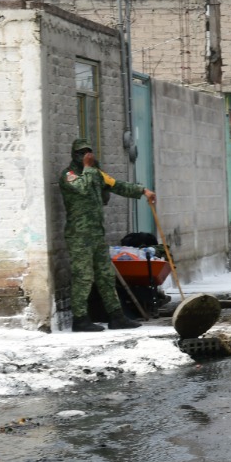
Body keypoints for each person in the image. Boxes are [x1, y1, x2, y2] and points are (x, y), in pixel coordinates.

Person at [59, 137, 155, 332]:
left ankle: (116, 317)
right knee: (83, 277)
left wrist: (143, 191)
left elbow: (117, 185)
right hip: (79, 237)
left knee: (105, 276)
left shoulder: (95, 174)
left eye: (87, 151)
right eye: (81, 153)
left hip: (96, 235)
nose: (85, 156)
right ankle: (80, 319)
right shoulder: (68, 176)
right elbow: (82, 188)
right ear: (74, 155)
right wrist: (88, 168)